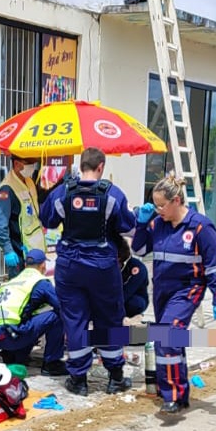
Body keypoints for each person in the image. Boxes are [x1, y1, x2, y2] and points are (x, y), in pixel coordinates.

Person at [40, 147, 137, 396]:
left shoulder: (63, 193)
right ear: (101, 167)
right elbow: (127, 225)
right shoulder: (112, 195)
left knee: (75, 319)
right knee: (109, 317)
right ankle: (115, 377)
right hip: (103, 266)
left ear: (81, 166)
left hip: (70, 266)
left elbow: (48, 220)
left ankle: (79, 380)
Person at [132, 175, 216, 414]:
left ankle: (172, 394)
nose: (158, 210)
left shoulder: (200, 227)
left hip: (187, 289)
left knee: (167, 336)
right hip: (162, 291)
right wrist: (142, 224)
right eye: (155, 205)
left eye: (162, 205)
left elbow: (214, 265)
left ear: (176, 200)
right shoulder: (158, 225)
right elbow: (140, 249)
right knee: (172, 340)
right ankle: (181, 393)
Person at [0, 248, 67, 376]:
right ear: (43, 266)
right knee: (57, 316)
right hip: (11, 335)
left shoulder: (12, 281)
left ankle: (10, 355)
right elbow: (61, 307)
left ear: (25, 265)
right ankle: (52, 363)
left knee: (28, 319)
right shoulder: (40, 282)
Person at [0, 155, 47, 279]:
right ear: (17, 164)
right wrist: (7, 250)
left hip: (34, 251)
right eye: (29, 162)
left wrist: (60, 184)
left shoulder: (29, 181)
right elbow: (0, 225)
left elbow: (41, 198)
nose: (33, 165)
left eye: (35, 162)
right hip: (19, 253)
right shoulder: (6, 189)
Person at [116, 234, 149, 319]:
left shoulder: (137, 268)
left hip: (132, 297)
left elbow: (128, 291)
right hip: (113, 297)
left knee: (135, 303)